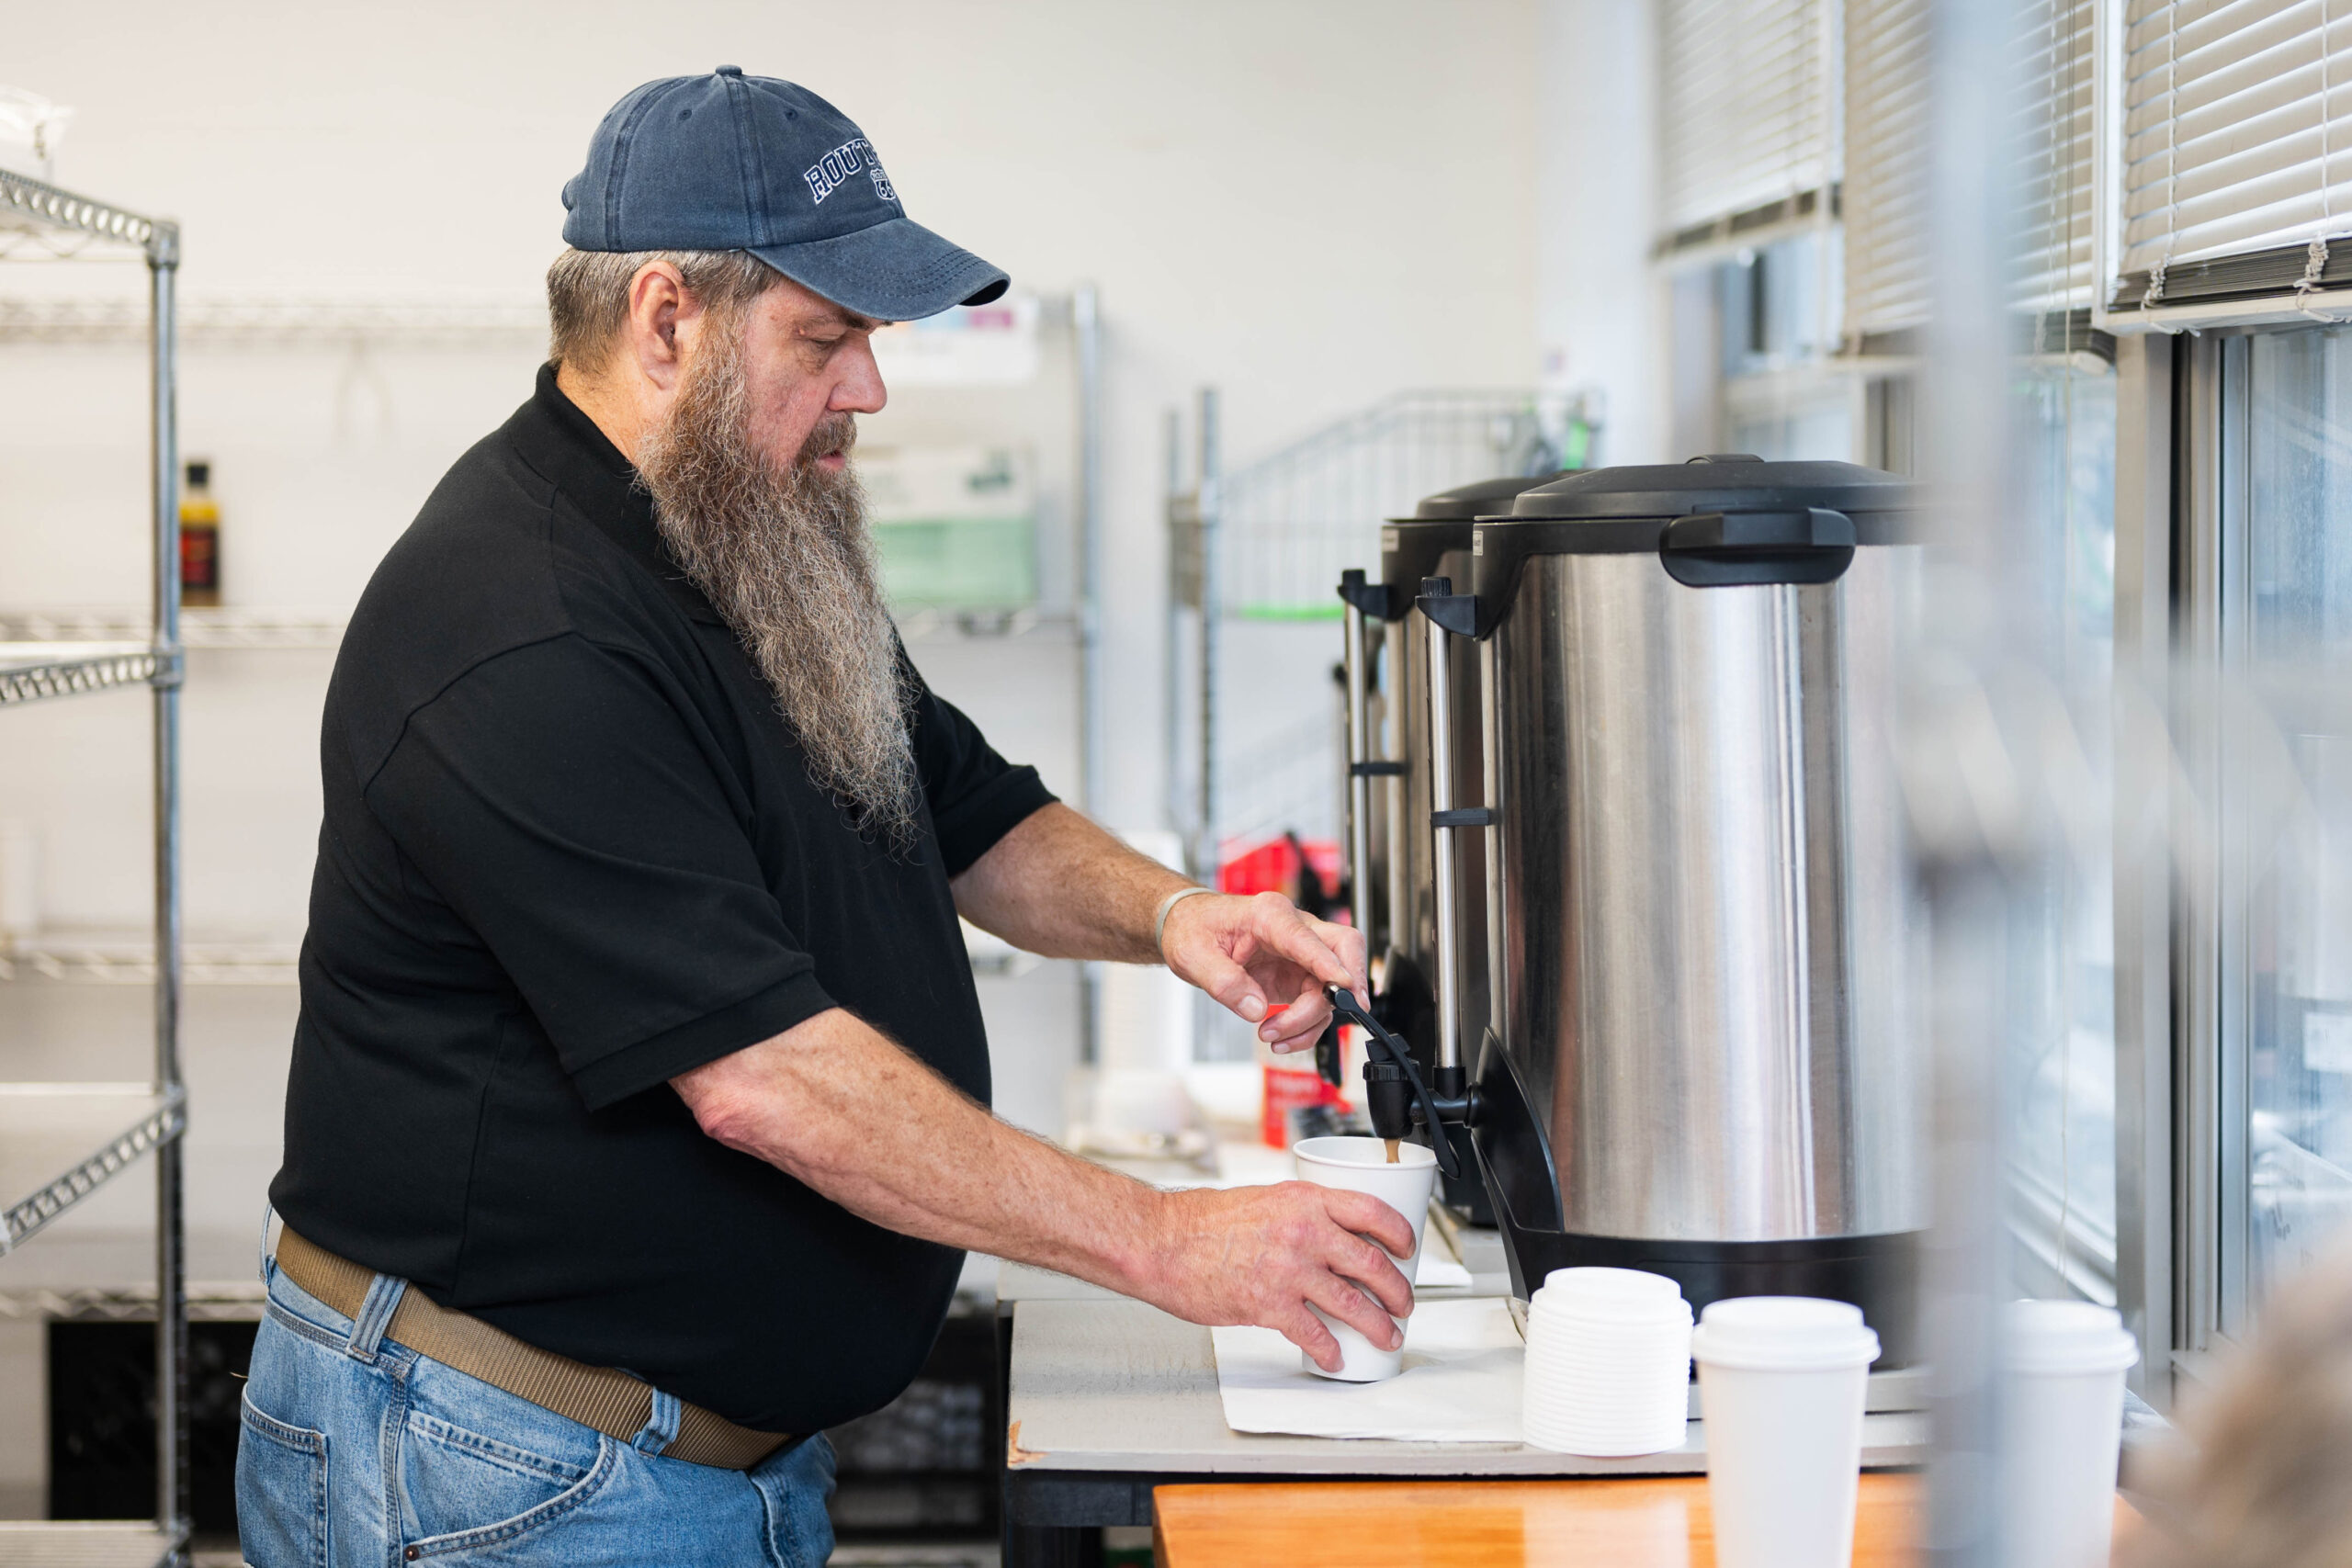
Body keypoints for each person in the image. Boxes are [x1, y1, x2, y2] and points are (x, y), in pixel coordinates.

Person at [235, 68, 1412, 1568]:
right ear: (666, 320)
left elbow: (968, 810)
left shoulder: (736, 539)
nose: (867, 388)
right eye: (828, 336)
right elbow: (765, 1081)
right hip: (505, 1468)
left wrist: (1180, 916)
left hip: (689, 1456)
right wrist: (1168, 1244)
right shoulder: (522, 627)